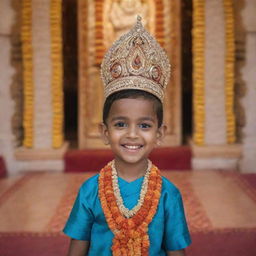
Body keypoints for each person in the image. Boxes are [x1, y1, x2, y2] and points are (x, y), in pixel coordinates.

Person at [63, 16, 191, 256]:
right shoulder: (90, 191)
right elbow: (76, 251)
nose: (132, 135)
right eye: (121, 124)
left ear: (160, 134)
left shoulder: (168, 194)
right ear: (105, 132)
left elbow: (176, 251)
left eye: (144, 126)